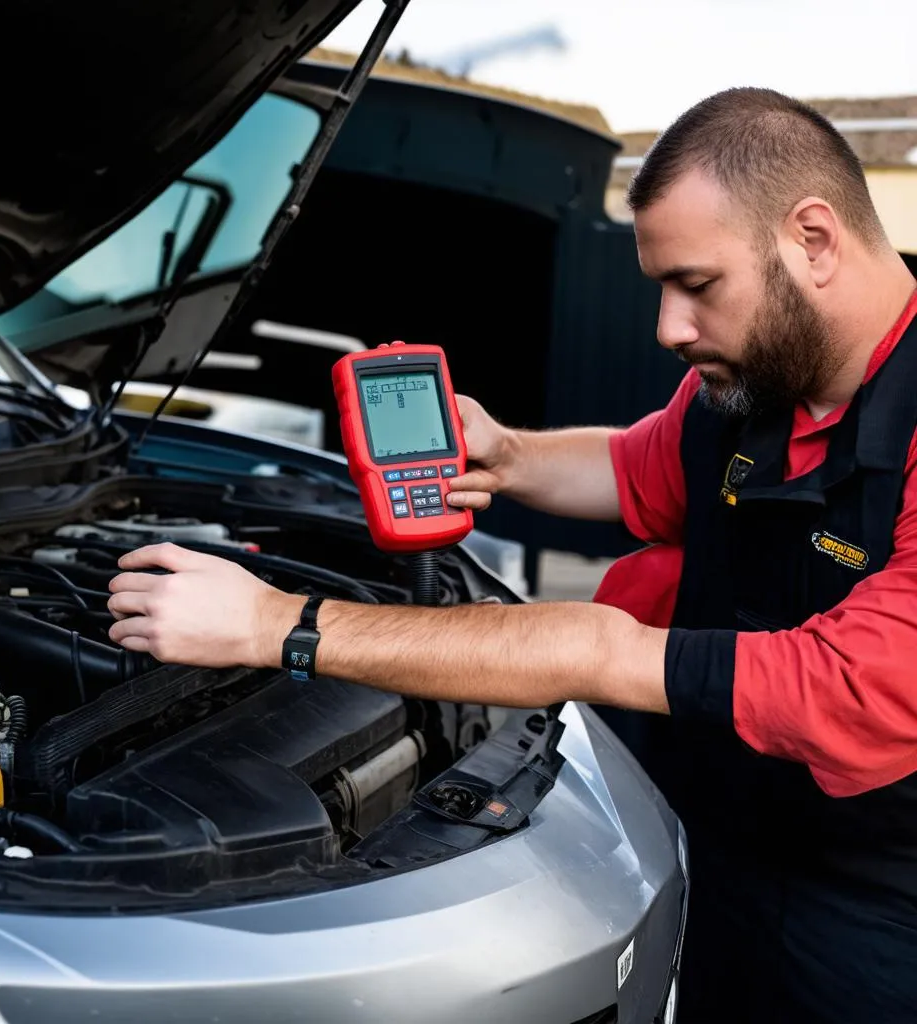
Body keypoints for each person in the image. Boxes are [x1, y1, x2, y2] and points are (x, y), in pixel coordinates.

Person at [107, 87, 917, 1024]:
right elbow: (631, 469)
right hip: (715, 840)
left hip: (878, 911)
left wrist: (273, 624)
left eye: (697, 285)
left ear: (813, 240)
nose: (669, 328)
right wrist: (508, 453)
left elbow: (828, 682)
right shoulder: (754, 390)